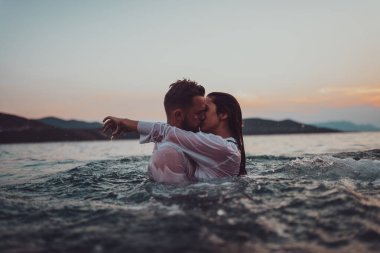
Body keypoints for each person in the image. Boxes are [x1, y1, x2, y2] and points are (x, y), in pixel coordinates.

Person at [103, 91, 247, 182]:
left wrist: (125, 123)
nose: (201, 116)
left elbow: (169, 133)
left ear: (223, 114)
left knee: (168, 152)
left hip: (204, 212)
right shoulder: (217, 147)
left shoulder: (224, 148)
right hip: (200, 207)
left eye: (206, 110)